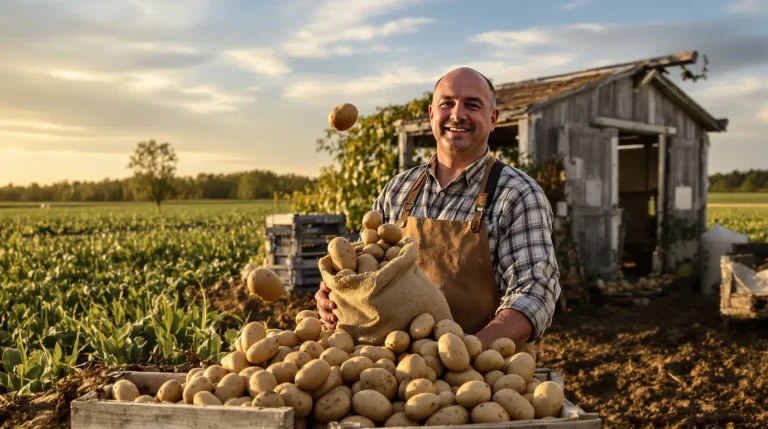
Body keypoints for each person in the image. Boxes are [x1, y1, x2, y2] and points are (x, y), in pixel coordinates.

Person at [315, 67, 561, 356]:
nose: (457, 115)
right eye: (447, 104)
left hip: (477, 379)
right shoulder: (397, 190)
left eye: (472, 104)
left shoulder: (517, 194)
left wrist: (466, 352)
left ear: (493, 119)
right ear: (432, 114)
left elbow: (535, 293)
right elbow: (364, 269)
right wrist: (336, 294)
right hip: (390, 367)